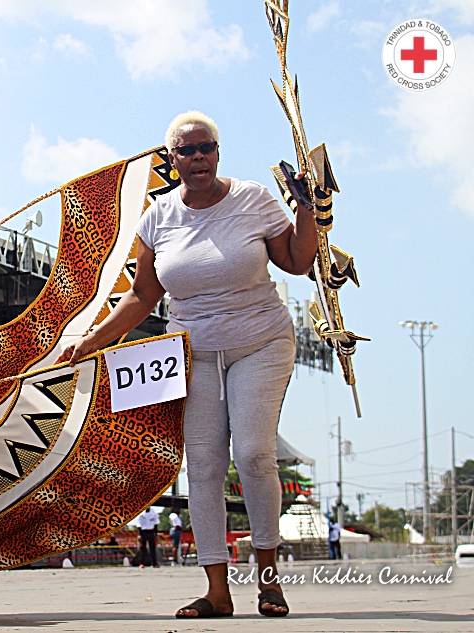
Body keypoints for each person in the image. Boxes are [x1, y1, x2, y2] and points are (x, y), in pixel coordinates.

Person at [60, 111, 317, 619]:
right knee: (201, 466)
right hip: (194, 352)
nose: (199, 157)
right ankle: (217, 592)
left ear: (218, 152)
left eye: (207, 148)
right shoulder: (157, 218)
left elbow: (298, 261)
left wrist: (307, 209)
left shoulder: (252, 200)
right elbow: (141, 297)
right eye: (187, 150)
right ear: (172, 159)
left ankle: (268, 580)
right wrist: (92, 340)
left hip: (259, 343)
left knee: (252, 453)